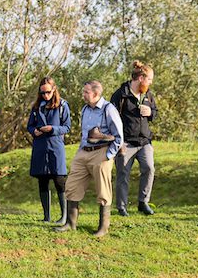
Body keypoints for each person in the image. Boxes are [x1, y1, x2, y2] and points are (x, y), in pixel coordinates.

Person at [56, 80, 123, 236]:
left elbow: (119, 136)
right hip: (84, 151)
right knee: (72, 185)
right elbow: (84, 133)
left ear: (96, 93)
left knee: (103, 190)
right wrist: (81, 150)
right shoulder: (85, 109)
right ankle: (70, 223)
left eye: (86, 92)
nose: (83, 95)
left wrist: (108, 155)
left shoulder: (108, 109)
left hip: (101, 152)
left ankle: (103, 227)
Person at [111, 61, 158, 216]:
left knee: (149, 169)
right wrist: (117, 141)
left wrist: (150, 112)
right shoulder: (120, 94)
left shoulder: (148, 94)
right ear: (140, 78)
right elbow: (111, 118)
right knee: (123, 174)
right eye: (149, 79)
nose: (150, 83)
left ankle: (143, 202)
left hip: (145, 141)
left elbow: (155, 112)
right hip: (125, 143)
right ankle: (122, 207)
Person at [27, 77, 71, 224]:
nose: (45, 95)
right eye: (42, 93)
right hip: (40, 146)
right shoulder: (36, 107)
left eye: (48, 92)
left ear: (54, 89)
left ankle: (64, 216)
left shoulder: (63, 105)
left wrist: (53, 129)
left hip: (55, 146)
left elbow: (67, 127)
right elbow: (30, 125)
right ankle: (47, 216)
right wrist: (34, 131)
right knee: (42, 180)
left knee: (59, 181)